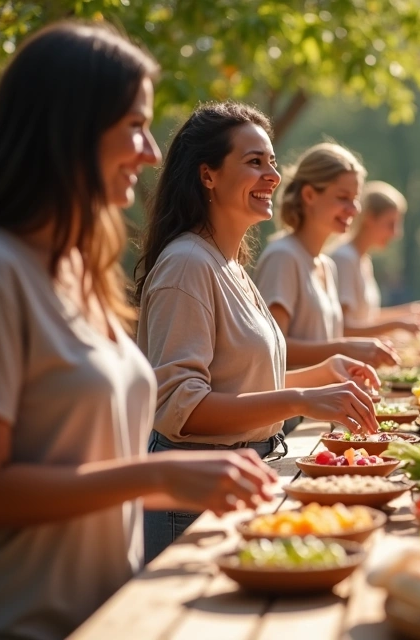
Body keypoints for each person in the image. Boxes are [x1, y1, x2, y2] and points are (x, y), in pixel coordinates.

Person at [0, 23, 277, 639]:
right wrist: (161, 476)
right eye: (134, 125)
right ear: (65, 126)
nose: (153, 152)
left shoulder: (78, 269)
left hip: (92, 619)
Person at [134, 103, 380, 560]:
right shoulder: (187, 265)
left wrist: (321, 374)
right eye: (253, 162)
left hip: (243, 481)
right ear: (207, 175)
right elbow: (181, 410)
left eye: (271, 161)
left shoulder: (229, 263)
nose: (271, 175)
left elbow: (239, 385)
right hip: (195, 505)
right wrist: (301, 400)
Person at [254, 143, 399, 368]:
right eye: (343, 197)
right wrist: (347, 348)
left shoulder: (326, 265)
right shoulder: (283, 257)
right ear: (309, 195)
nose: (354, 209)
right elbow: (272, 348)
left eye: (355, 198)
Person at [328, 180, 420, 335]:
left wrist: (409, 312)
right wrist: (397, 324)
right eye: (390, 224)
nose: (396, 233)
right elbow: (341, 329)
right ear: (369, 218)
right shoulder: (344, 259)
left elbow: (366, 317)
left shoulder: (362, 259)